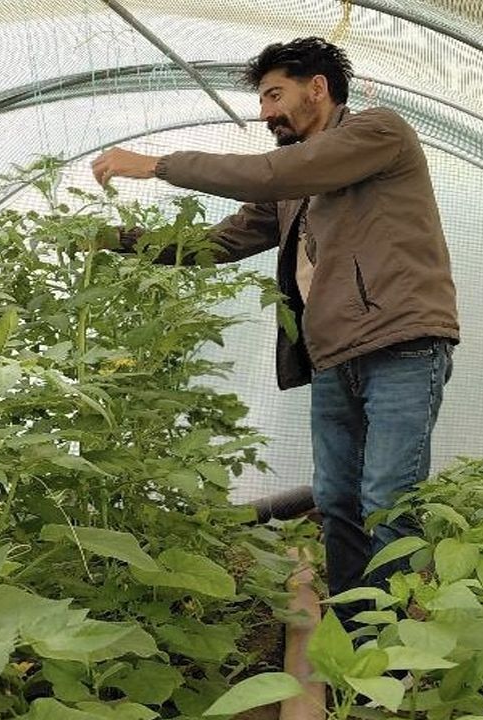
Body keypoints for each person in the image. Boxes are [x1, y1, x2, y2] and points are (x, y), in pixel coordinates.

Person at [91, 37, 458, 627]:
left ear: (318, 88)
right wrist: (113, 241)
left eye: (274, 95)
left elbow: (270, 173)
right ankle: (353, 633)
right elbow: (217, 242)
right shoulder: (295, 185)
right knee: (337, 500)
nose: (265, 113)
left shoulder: (378, 132)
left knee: (388, 502)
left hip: (401, 343)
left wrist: (157, 165)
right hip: (333, 354)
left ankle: (389, 651)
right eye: (262, 100)